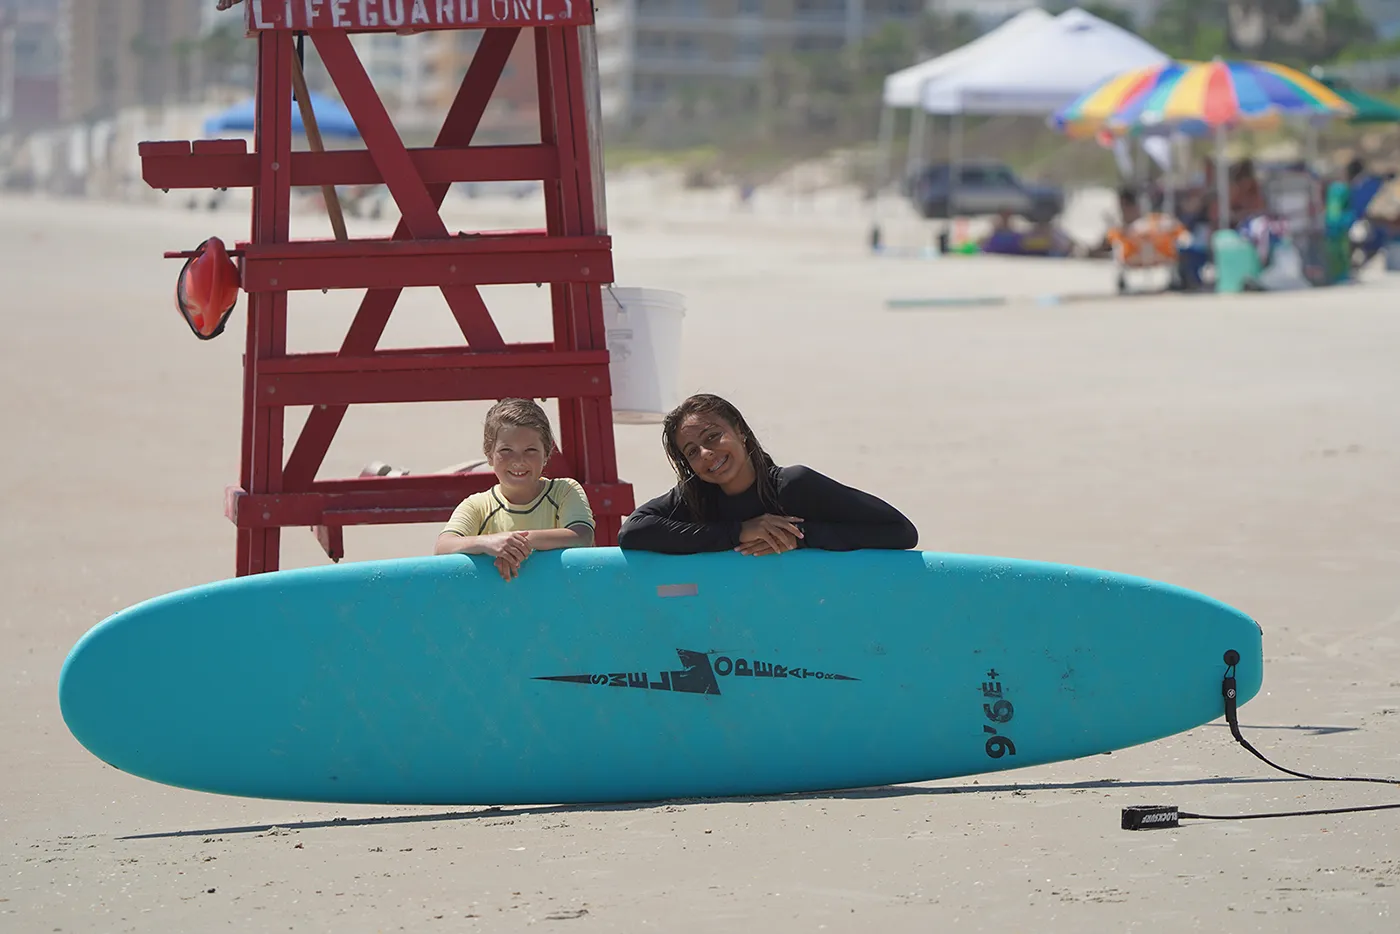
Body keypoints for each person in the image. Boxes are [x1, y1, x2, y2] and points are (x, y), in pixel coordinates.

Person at [617, 394, 918, 556]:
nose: (706, 454)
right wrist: (738, 532)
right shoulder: (695, 496)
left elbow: (900, 531)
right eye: (692, 452)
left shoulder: (792, 487)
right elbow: (632, 532)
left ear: (741, 433)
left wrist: (800, 538)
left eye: (712, 437)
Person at [434, 399, 595, 580]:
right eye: (506, 450)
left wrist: (515, 544)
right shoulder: (477, 506)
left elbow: (582, 537)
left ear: (547, 453)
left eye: (530, 450)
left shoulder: (564, 491)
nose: (518, 460)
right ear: (489, 454)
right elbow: (443, 547)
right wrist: (488, 542)